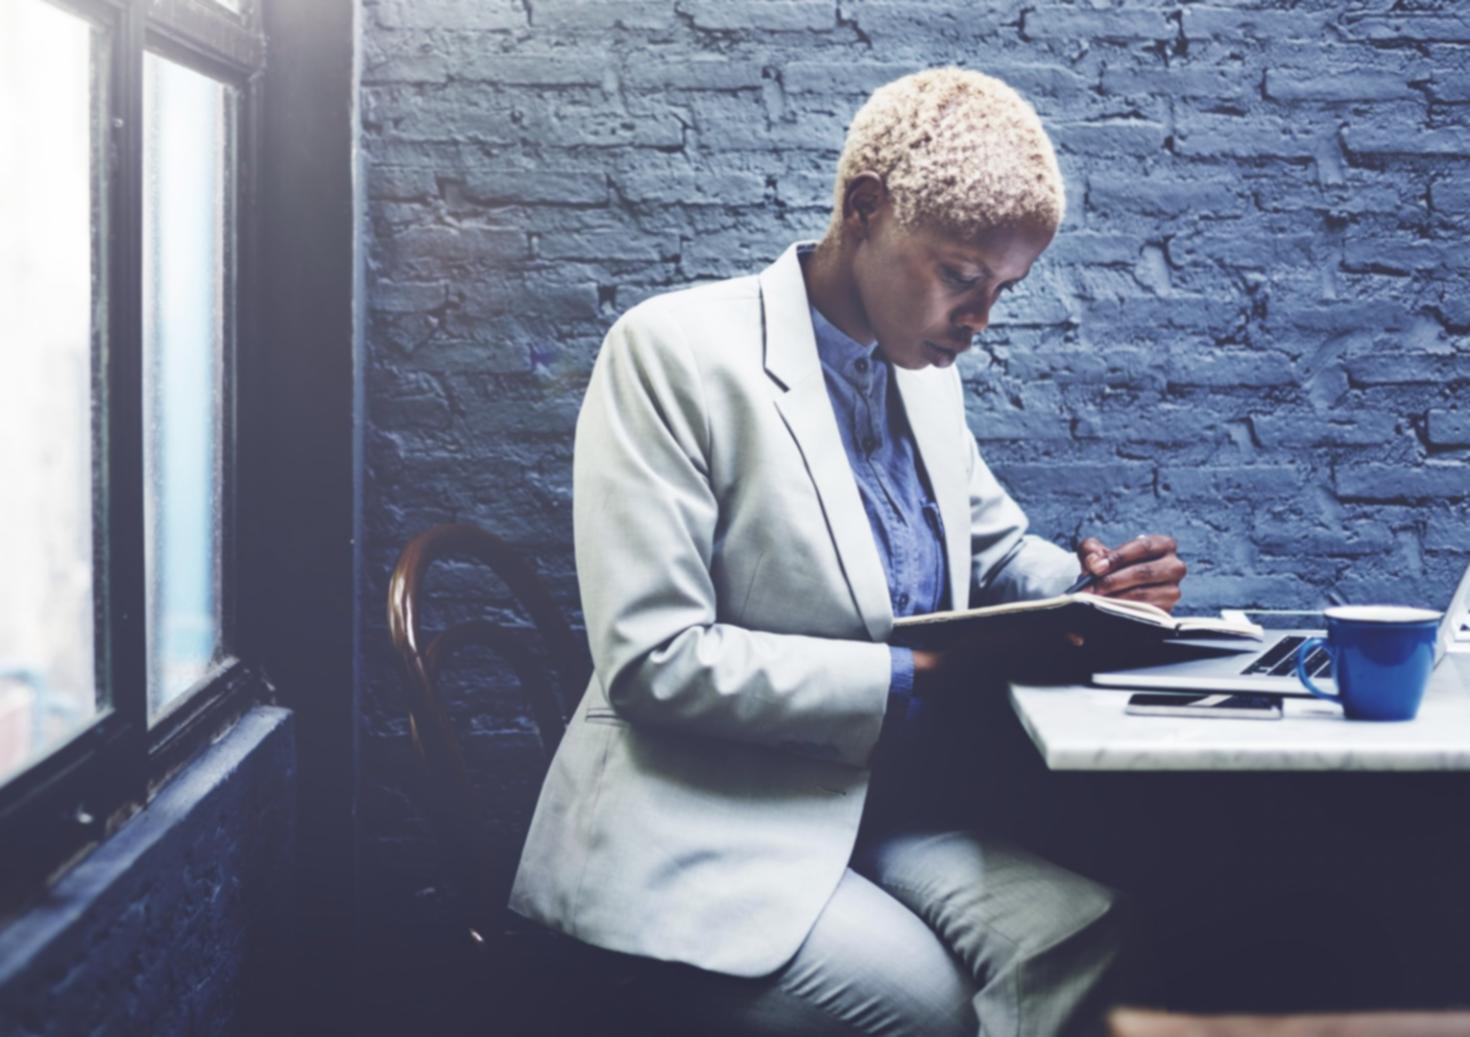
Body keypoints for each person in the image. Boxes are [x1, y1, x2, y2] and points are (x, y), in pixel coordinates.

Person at [509, 67, 1187, 1036]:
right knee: (932, 1013)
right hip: (701, 823)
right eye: (961, 276)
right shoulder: (671, 351)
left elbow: (995, 546)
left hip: (876, 811)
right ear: (864, 209)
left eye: (1003, 289)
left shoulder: (923, 374)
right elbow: (655, 661)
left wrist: (1094, 589)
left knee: (1088, 933)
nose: (982, 319)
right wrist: (920, 672)